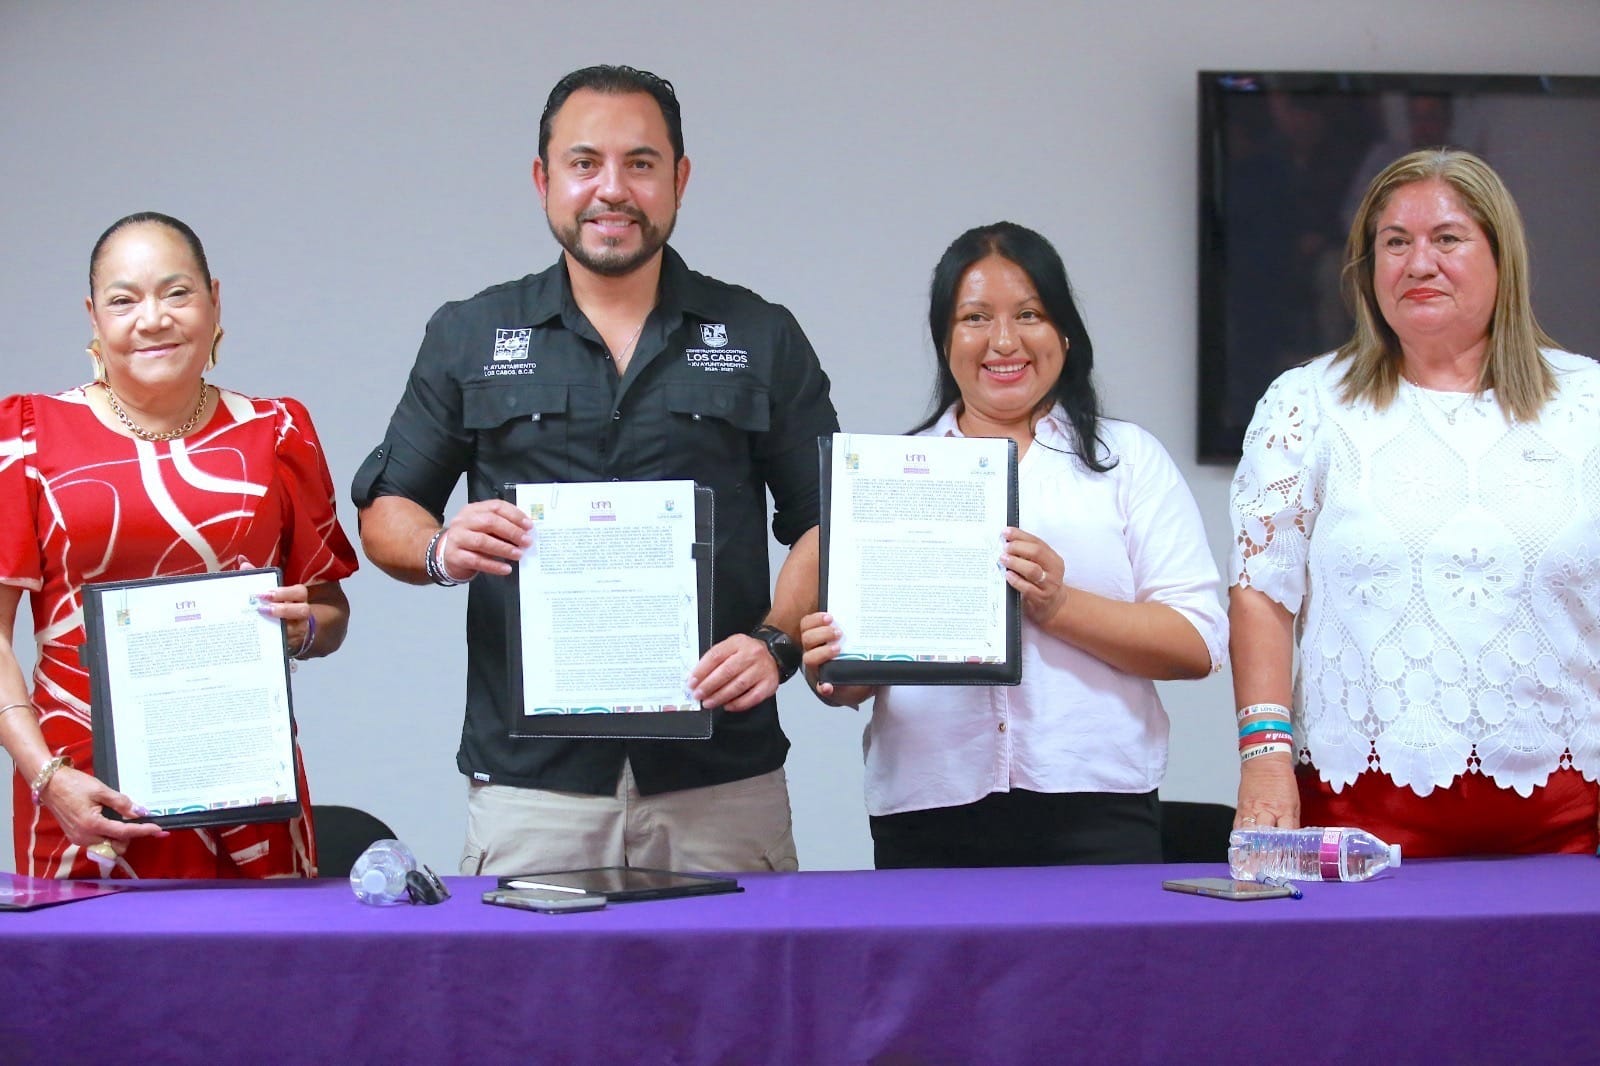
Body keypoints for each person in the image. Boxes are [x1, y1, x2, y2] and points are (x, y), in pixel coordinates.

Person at [353, 65, 837, 875]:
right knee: (527, 1005)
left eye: (641, 164)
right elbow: (388, 508)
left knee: (741, 1002)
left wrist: (776, 643)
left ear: (679, 180)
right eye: (585, 164)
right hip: (534, 788)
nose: (612, 189)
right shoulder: (470, 334)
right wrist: (441, 547)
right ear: (544, 181)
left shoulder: (759, 333)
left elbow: (828, 518)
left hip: (721, 778)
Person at [801, 222, 1227, 868]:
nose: (1004, 341)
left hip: (1097, 806)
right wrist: (835, 669)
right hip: (928, 808)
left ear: (1063, 333)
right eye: (975, 318)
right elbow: (857, 682)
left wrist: (1059, 605)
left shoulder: (1127, 462)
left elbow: (1197, 644)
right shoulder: (887, 477)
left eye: (1029, 314)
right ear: (946, 341)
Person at [1229, 148, 1600, 856]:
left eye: (1447, 239)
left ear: (1502, 258)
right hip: (1358, 822)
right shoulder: (1308, 404)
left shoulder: (1588, 405)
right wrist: (1264, 757)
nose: (1418, 263)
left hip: (1567, 831)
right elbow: (1261, 596)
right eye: (1395, 242)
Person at [0, 212, 357, 879]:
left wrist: (301, 628)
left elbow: (330, 611)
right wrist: (45, 776)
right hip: (80, 791)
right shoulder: (26, 437)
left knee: (257, 978)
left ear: (214, 300)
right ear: (93, 316)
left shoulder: (276, 433)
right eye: (124, 299)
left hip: (245, 779)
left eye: (176, 293)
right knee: (82, 981)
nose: (153, 318)